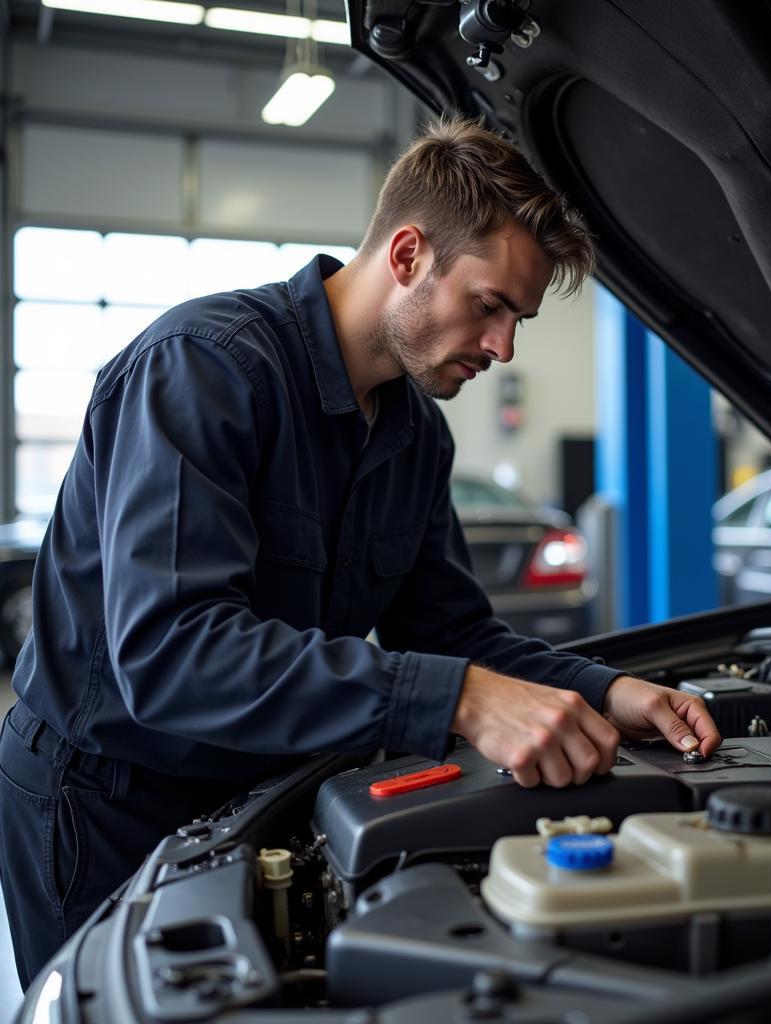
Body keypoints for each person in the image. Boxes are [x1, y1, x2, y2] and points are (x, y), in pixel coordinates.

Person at [0, 116, 721, 988]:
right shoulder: (205, 369)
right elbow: (172, 654)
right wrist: (460, 699)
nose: (503, 347)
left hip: (259, 798)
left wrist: (609, 690)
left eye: (518, 320)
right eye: (490, 305)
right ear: (409, 254)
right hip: (108, 801)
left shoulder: (417, 438)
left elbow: (458, 636)